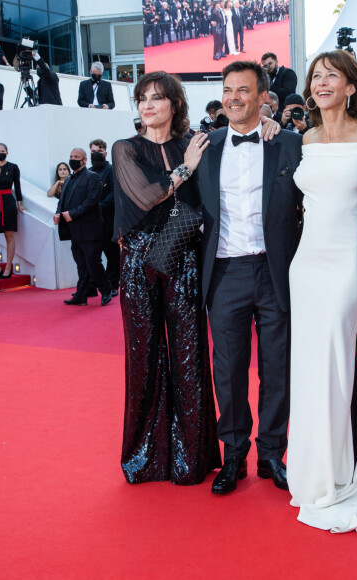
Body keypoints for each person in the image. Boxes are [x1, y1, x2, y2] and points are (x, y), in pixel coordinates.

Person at [286, 50, 357, 533]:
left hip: (349, 262)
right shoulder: (305, 137)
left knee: (336, 353)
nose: (322, 82)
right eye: (316, 76)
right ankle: (317, 471)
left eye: (332, 76)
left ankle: (347, 474)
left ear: (351, 86)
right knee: (311, 365)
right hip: (305, 266)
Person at [195, 60, 302, 495]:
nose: (234, 98)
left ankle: (272, 454)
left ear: (263, 98)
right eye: (228, 90)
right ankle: (234, 454)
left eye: (243, 90)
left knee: (277, 369)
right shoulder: (204, 145)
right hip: (224, 272)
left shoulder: (290, 144)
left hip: (276, 271)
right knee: (229, 370)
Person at [112, 71, 221, 484]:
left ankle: (192, 458)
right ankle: (146, 458)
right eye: (142, 99)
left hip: (184, 258)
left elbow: (233, 143)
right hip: (139, 262)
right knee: (144, 355)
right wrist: (184, 169)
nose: (147, 105)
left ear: (174, 104)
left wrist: (269, 123)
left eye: (157, 98)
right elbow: (144, 196)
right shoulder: (127, 148)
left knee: (190, 354)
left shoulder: (193, 142)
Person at [54, 148, 113, 306]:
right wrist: (58, 214)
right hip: (74, 230)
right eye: (71, 156)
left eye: (76, 157)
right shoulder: (68, 180)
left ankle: (106, 290)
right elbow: (62, 201)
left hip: (90, 230)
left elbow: (92, 200)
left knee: (93, 263)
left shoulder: (93, 177)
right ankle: (82, 295)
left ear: (84, 160)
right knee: (81, 264)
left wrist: (72, 213)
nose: (73, 159)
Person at [0, 143, 26, 279]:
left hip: (8, 201)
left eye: (3, 151)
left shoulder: (13, 167)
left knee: (9, 236)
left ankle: (8, 266)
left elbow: (18, 187)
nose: (0, 153)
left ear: (7, 153)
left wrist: (19, 203)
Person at [89, 139, 120, 295]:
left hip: (108, 221)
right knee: (93, 255)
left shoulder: (112, 171)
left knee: (112, 254)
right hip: (91, 223)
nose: (96, 154)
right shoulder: (88, 172)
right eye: (93, 152)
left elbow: (115, 194)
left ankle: (114, 284)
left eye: (99, 152)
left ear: (105, 153)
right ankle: (96, 284)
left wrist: (97, 208)